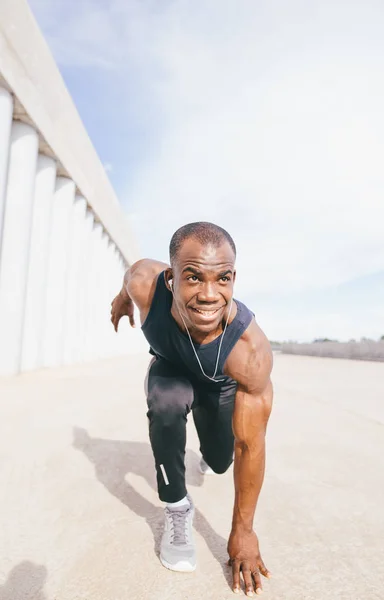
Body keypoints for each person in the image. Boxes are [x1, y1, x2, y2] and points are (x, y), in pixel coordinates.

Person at [110, 222, 273, 597]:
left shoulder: (248, 350)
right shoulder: (144, 284)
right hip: (171, 368)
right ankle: (177, 509)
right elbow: (131, 272)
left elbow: (251, 446)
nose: (209, 294)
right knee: (165, 404)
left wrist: (244, 531)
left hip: (220, 385)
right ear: (171, 279)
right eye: (194, 277)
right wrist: (122, 299)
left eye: (223, 279)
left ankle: (206, 456)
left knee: (220, 461)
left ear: (234, 279)